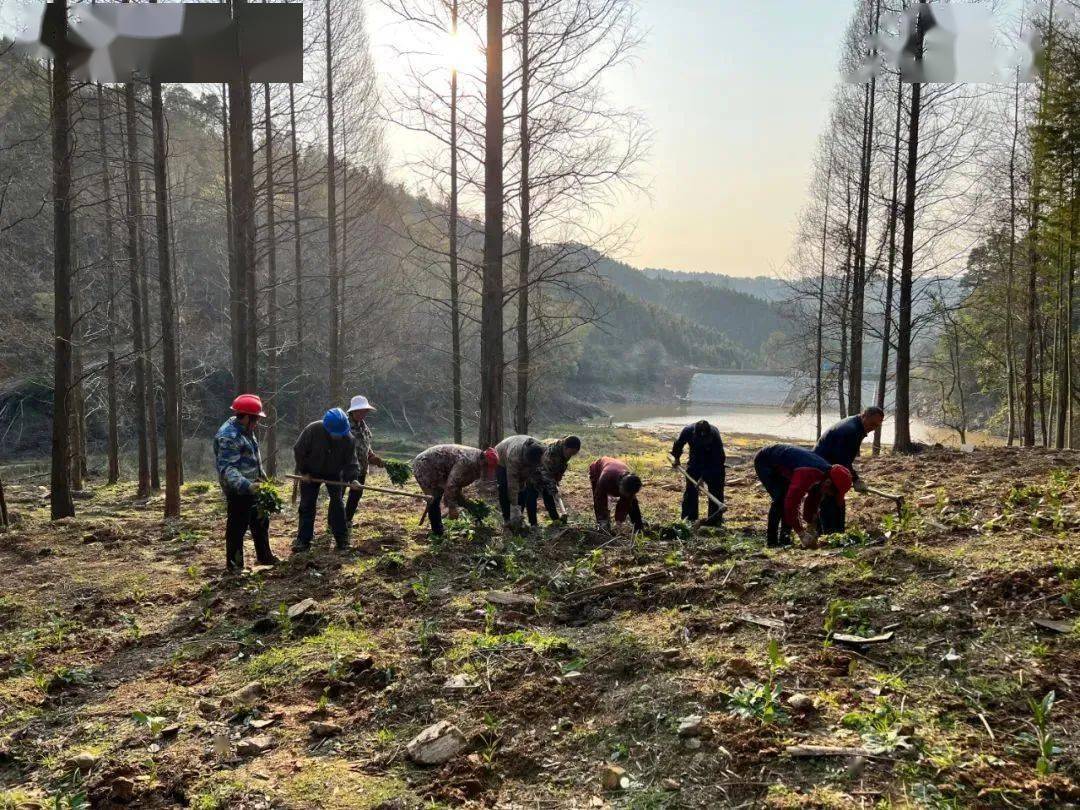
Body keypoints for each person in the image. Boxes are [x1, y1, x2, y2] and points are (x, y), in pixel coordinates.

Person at [213, 394, 278, 573]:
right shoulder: (229, 436)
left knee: (261, 521)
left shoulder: (246, 430)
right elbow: (228, 469)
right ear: (246, 416)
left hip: (254, 486)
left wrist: (262, 479)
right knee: (237, 526)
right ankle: (234, 566)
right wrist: (247, 486)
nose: (257, 422)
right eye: (255, 419)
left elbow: (255, 459)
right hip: (238, 490)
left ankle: (264, 556)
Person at [753, 443, 853, 548]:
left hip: (786, 465)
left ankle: (785, 539)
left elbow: (813, 500)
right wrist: (801, 534)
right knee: (781, 499)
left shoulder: (825, 475)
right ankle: (772, 542)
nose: (829, 495)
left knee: (786, 498)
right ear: (828, 483)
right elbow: (791, 504)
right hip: (765, 461)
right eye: (832, 493)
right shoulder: (807, 473)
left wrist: (811, 525)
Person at [292, 408, 362, 553]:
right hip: (310, 472)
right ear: (326, 427)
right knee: (307, 504)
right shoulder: (312, 430)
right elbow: (299, 450)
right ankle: (303, 540)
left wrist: (353, 479)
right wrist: (304, 472)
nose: (337, 436)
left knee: (337, 503)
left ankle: (342, 539)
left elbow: (351, 462)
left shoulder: (348, 438)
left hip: (333, 473)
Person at [813, 406, 884, 532]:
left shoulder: (857, 426)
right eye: (872, 424)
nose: (873, 428)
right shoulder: (850, 430)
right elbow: (842, 459)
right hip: (823, 467)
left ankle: (832, 533)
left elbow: (844, 459)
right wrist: (855, 479)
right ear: (864, 416)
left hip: (832, 466)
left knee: (835, 501)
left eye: (876, 426)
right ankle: (830, 536)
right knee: (830, 501)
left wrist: (854, 478)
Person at [412, 444, 500, 536]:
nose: (486, 469)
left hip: (441, 469)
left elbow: (457, 486)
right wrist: (452, 507)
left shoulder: (478, 461)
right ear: (482, 459)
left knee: (444, 495)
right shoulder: (467, 461)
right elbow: (451, 485)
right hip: (425, 464)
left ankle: (438, 529)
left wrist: (469, 506)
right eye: (486, 466)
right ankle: (437, 532)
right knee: (434, 498)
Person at [671, 420, 726, 526]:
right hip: (695, 461)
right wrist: (677, 458)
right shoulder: (687, 431)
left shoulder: (714, 435)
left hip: (713, 463)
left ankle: (714, 520)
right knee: (691, 490)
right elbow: (678, 443)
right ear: (694, 434)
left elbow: (719, 459)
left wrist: (703, 477)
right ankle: (689, 518)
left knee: (716, 489)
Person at [520, 435, 581, 526]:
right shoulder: (551, 453)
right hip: (535, 468)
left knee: (548, 495)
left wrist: (557, 478)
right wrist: (554, 488)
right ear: (565, 447)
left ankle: (555, 519)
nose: (571, 455)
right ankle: (533, 523)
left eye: (574, 453)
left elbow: (560, 465)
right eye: (571, 452)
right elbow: (545, 473)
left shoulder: (566, 451)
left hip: (548, 471)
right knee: (532, 493)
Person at [344, 395, 385, 525]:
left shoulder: (363, 426)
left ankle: (347, 520)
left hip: (360, 468)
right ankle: (334, 523)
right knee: (338, 495)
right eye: (362, 411)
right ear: (354, 411)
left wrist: (372, 457)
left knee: (356, 494)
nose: (364, 414)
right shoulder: (344, 425)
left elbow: (365, 445)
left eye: (365, 411)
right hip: (345, 468)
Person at [495, 435, 546, 529]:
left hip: (524, 458)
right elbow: (512, 484)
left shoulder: (542, 450)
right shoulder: (514, 457)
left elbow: (541, 471)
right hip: (501, 458)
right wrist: (514, 506)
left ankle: (519, 517)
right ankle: (507, 518)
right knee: (504, 487)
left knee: (524, 488)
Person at [589, 456, 644, 532]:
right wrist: (603, 520)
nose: (626, 495)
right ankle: (603, 525)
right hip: (597, 469)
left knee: (632, 501)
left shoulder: (631, 483)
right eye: (625, 492)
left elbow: (625, 503)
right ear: (620, 485)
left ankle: (638, 526)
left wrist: (619, 520)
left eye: (629, 493)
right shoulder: (605, 478)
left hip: (614, 466)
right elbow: (599, 499)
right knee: (599, 497)